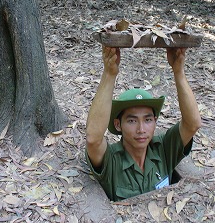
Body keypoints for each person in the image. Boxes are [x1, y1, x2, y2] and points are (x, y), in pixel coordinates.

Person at [85, 46, 201, 201]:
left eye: (147, 120)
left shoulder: (164, 149)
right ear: (118, 125)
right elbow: (93, 139)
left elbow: (192, 124)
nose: (141, 129)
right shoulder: (111, 160)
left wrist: (178, 71)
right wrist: (109, 74)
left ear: (155, 122)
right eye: (132, 121)